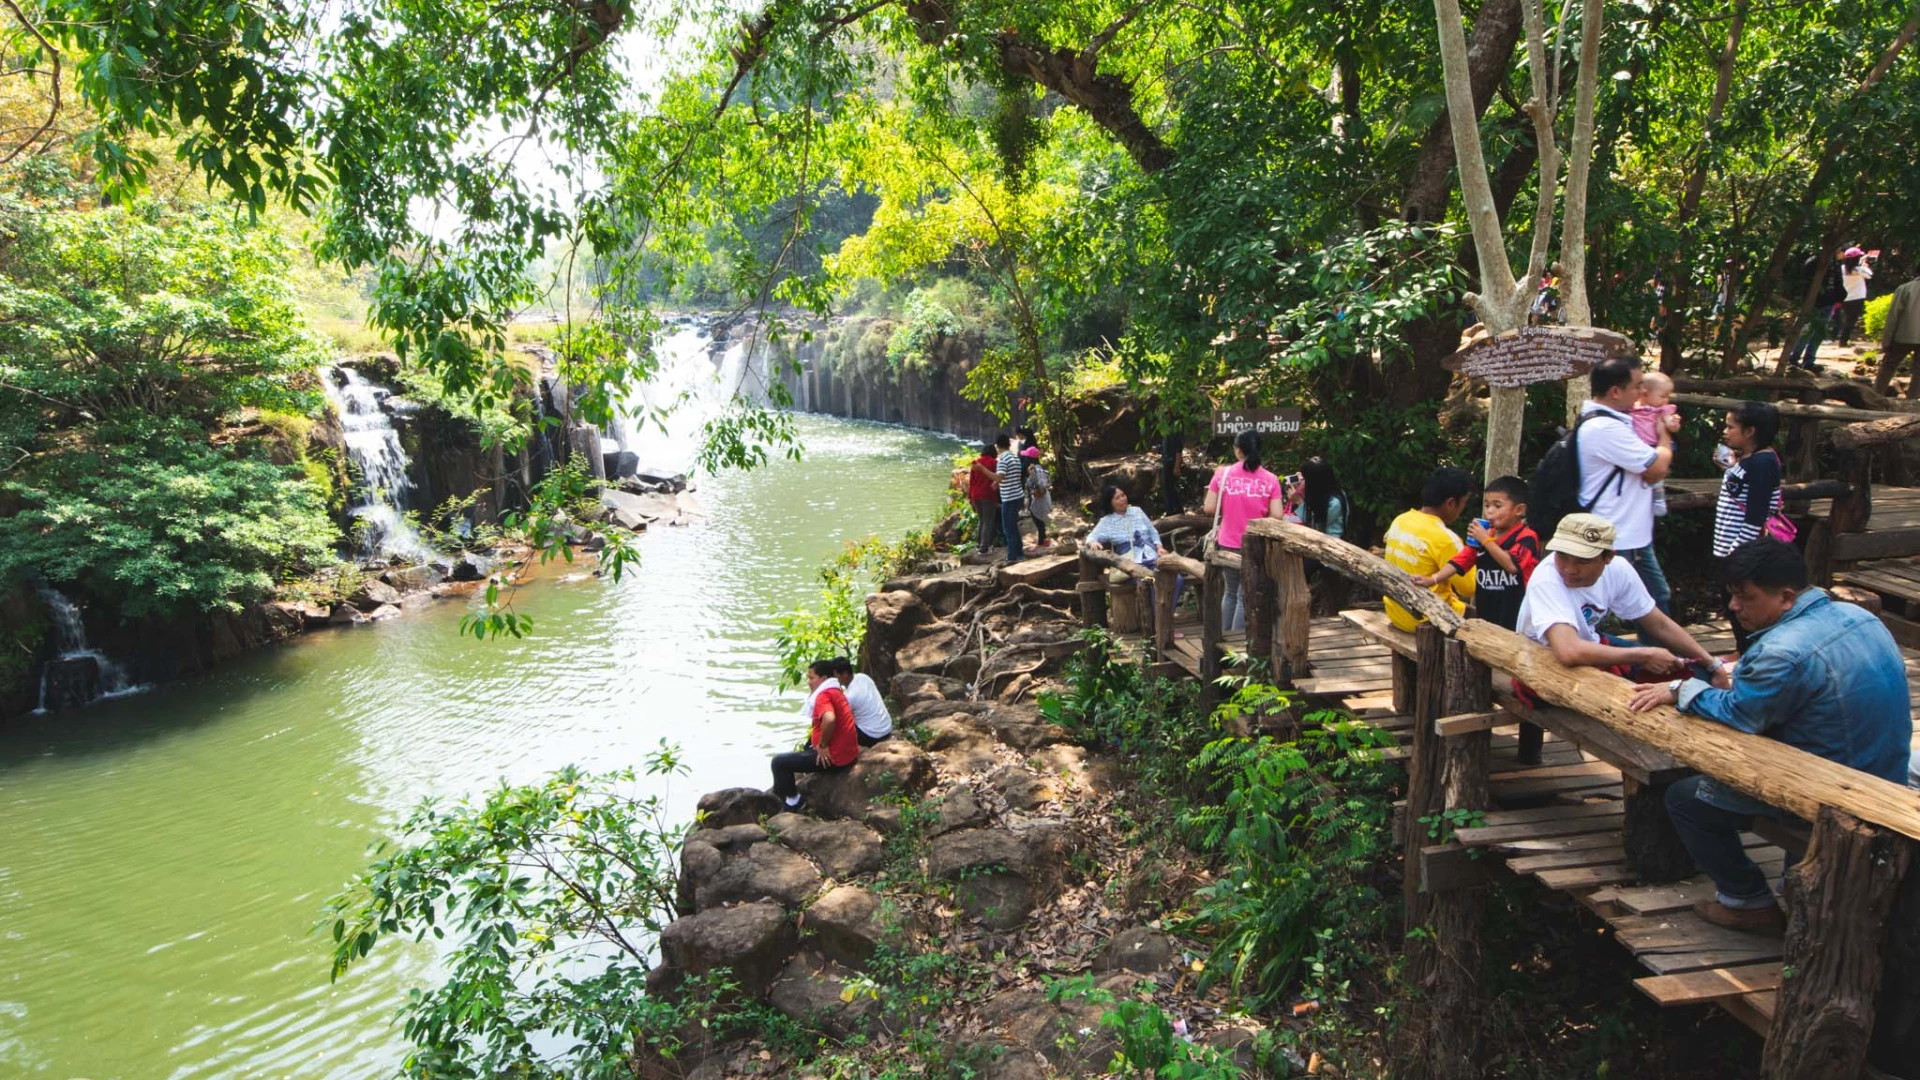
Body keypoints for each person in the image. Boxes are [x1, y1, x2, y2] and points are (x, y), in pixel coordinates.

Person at [1630, 539, 1912, 932]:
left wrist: (1683, 690)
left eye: (1744, 598)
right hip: (1886, 769)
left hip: (1834, 792)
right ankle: (1787, 885)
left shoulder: (1781, 650)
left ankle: (1746, 901)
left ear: (1786, 597)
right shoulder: (1859, 616)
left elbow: (1740, 714)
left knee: (1685, 798)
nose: (1733, 607)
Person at [1514, 513, 1725, 683]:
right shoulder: (1546, 579)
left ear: (1608, 557)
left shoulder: (1618, 570)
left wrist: (1711, 663)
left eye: (1582, 561)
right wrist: (1643, 655)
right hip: (1544, 658)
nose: (1569, 569)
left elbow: (1659, 624)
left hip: (1587, 644)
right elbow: (1569, 652)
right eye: (1562, 556)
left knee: (1696, 675)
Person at [1576, 358, 1675, 614]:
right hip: (1616, 536)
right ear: (1616, 392)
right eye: (1638, 386)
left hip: (1633, 535)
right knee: (1605, 609)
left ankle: (1656, 652)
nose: (1643, 392)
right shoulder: (1605, 428)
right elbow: (1656, 468)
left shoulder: (1621, 421)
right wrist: (1665, 436)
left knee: (1655, 600)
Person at [1414, 475, 1540, 632]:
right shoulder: (1487, 535)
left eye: (1497, 506)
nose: (1490, 512)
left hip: (1516, 614)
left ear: (1519, 510)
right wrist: (1433, 579)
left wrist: (1485, 540)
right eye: (1487, 506)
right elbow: (1462, 559)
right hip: (1487, 612)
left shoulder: (1526, 537)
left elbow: (1512, 565)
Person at [1713, 402, 1784, 652]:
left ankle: (1749, 655)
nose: (1726, 430)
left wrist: (1737, 553)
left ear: (1750, 431)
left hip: (1741, 551)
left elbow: (1756, 515)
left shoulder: (1763, 464)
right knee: (1734, 604)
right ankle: (1743, 652)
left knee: (1743, 606)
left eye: (1731, 426)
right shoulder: (1750, 459)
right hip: (1731, 547)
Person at [1203, 430, 1285, 632]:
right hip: (1255, 545)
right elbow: (1277, 515)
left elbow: (1209, 508)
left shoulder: (1223, 474)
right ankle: (1237, 646)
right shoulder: (1271, 479)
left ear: (1238, 450)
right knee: (1243, 595)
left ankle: (1223, 639)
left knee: (1230, 592)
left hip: (1228, 541)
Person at [1383, 466, 1476, 632]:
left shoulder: (1400, 520)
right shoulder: (1446, 539)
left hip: (1396, 612)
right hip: (1426, 620)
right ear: (1451, 503)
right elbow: (1469, 588)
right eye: (1463, 504)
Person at [770, 659, 861, 811]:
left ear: (824, 679)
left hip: (834, 758)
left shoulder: (823, 696)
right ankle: (781, 795)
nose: (808, 682)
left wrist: (823, 745)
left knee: (779, 762)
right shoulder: (836, 691)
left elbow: (830, 719)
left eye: (811, 678)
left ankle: (794, 801)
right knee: (805, 748)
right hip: (848, 754)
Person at [1630, 371, 1682, 518]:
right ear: (1644, 394)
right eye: (1662, 396)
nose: (1665, 400)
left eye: (1667, 397)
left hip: (1655, 445)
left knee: (1656, 474)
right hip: (1638, 445)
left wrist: (1673, 424)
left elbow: (1673, 426)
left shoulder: (1662, 410)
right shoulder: (1632, 408)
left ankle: (1659, 499)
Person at [1785, 252, 1845, 370]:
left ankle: (1809, 361)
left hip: (1829, 302)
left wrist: (1839, 297)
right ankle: (1793, 358)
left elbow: (1838, 282)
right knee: (1805, 331)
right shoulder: (1814, 261)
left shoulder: (1834, 263)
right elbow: (1805, 283)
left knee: (1819, 333)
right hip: (1813, 303)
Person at [1874, 275, 1920, 398]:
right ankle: (1912, 401)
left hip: (1903, 336)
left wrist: (1886, 341)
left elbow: (1893, 317)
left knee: (1888, 366)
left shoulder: (1905, 289)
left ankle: (1875, 396)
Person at [830, 656, 892, 746]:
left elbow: (837, 718)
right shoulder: (863, 677)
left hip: (872, 735)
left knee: (836, 726)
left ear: (845, 674)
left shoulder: (850, 696)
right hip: (887, 728)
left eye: (836, 677)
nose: (834, 680)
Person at [1284, 456, 1347, 539]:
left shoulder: (1334, 503)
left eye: (1304, 478)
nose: (1301, 479)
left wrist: (1299, 502)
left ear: (1314, 483)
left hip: (1329, 542)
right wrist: (1299, 489)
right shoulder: (1317, 493)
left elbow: (1315, 524)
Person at [968, 439, 1002, 555]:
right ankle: (984, 548)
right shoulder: (994, 463)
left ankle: (979, 544)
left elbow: (971, 482)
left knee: (981, 520)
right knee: (988, 521)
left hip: (975, 495)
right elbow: (998, 480)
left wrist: (970, 498)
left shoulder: (976, 463)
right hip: (988, 495)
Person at [996, 432, 1026, 563]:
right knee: (1013, 526)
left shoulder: (1003, 459)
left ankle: (1012, 557)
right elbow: (1010, 476)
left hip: (1009, 498)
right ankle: (1019, 553)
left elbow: (999, 477)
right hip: (1018, 495)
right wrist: (995, 483)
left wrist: (982, 469)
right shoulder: (1014, 457)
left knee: (1008, 528)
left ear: (998, 446)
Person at [1020, 436, 1053, 548]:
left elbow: (1040, 484)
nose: (1025, 459)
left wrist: (1036, 490)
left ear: (1030, 459)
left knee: (1037, 519)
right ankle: (1043, 540)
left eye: (1026, 457)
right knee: (1039, 520)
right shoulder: (1039, 468)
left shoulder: (1034, 470)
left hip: (1039, 499)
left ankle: (1041, 543)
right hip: (1043, 498)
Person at [1836, 247, 1873, 346]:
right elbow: (1869, 275)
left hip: (1845, 297)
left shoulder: (1842, 268)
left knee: (1847, 319)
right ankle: (1843, 341)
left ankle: (1843, 339)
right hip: (1857, 298)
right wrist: (1865, 265)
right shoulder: (1860, 269)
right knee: (1851, 320)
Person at [1159, 431, 1185, 516]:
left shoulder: (1175, 431)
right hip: (1166, 462)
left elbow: (1178, 451)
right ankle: (1172, 510)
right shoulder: (1165, 429)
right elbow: (1165, 448)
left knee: (1171, 488)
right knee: (1167, 487)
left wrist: (1177, 466)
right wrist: (1158, 448)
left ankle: (1175, 511)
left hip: (1172, 463)